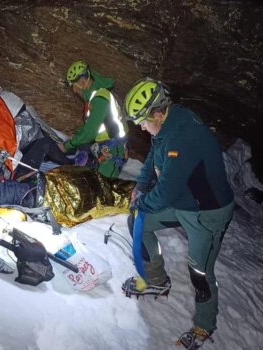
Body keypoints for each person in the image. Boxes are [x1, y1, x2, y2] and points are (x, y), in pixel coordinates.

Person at [121, 77, 234, 347]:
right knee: (140, 221)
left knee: (200, 272)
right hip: (185, 203)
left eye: (143, 121)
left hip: (207, 214)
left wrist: (143, 201)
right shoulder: (167, 125)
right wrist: (141, 186)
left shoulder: (183, 136)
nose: (141, 127)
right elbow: (152, 157)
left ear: (158, 113)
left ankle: (204, 326)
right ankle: (156, 280)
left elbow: (166, 193)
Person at [61, 60, 128, 178]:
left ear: (82, 82)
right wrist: (77, 134)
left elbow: (90, 132)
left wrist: (66, 146)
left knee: (104, 185)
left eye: (74, 86)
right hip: (105, 148)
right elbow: (92, 125)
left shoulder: (100, 98)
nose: (74, 91)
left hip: (113, 149)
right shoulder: (94, 98)